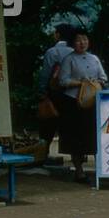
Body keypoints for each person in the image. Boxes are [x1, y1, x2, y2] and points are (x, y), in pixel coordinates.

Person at [56, 29, 109, 183]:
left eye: (85, 39)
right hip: (73, 103)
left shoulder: (94, 58)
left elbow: (103, 77)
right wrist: (81, 83)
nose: (82, 43)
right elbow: (62, 81)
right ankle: (79, 171)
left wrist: (96, 83)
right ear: (73, 43)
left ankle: (101, 170)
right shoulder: (69, 59)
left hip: (93, 102)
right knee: (75, 137)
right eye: (79, 40)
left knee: (94, 135)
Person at [39, 24, 74, 156]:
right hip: (71, 93)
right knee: (70, 124)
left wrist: (42, 91)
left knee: (49, 123)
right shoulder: (74, 52)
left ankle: (44, 153)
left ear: (58, 35)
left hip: (54, 92)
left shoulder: (52, 52)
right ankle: (76, 155)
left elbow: (45, 74)